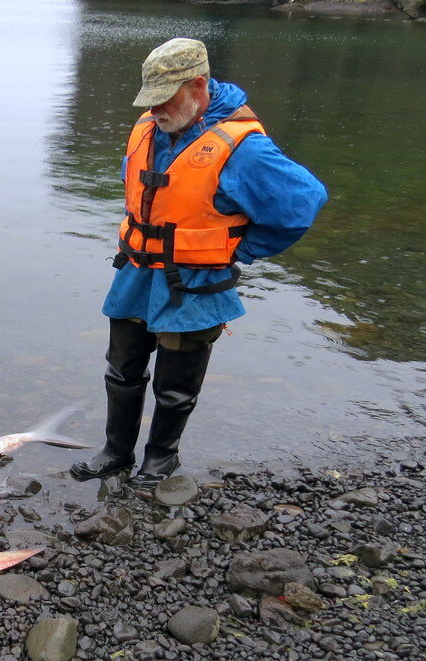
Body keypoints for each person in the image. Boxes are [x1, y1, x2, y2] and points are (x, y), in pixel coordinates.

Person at [70, 38, 327, 489]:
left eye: (164, 100)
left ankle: (160, 460)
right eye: (149, 101)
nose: (155, 111)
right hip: (137, 273)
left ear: (198, 85)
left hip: (195, 284)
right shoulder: (149, 128)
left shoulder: (243, 148)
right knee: (122, 368)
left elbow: (303, 203)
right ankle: (115, 452)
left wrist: (239, 249)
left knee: (175, 384)